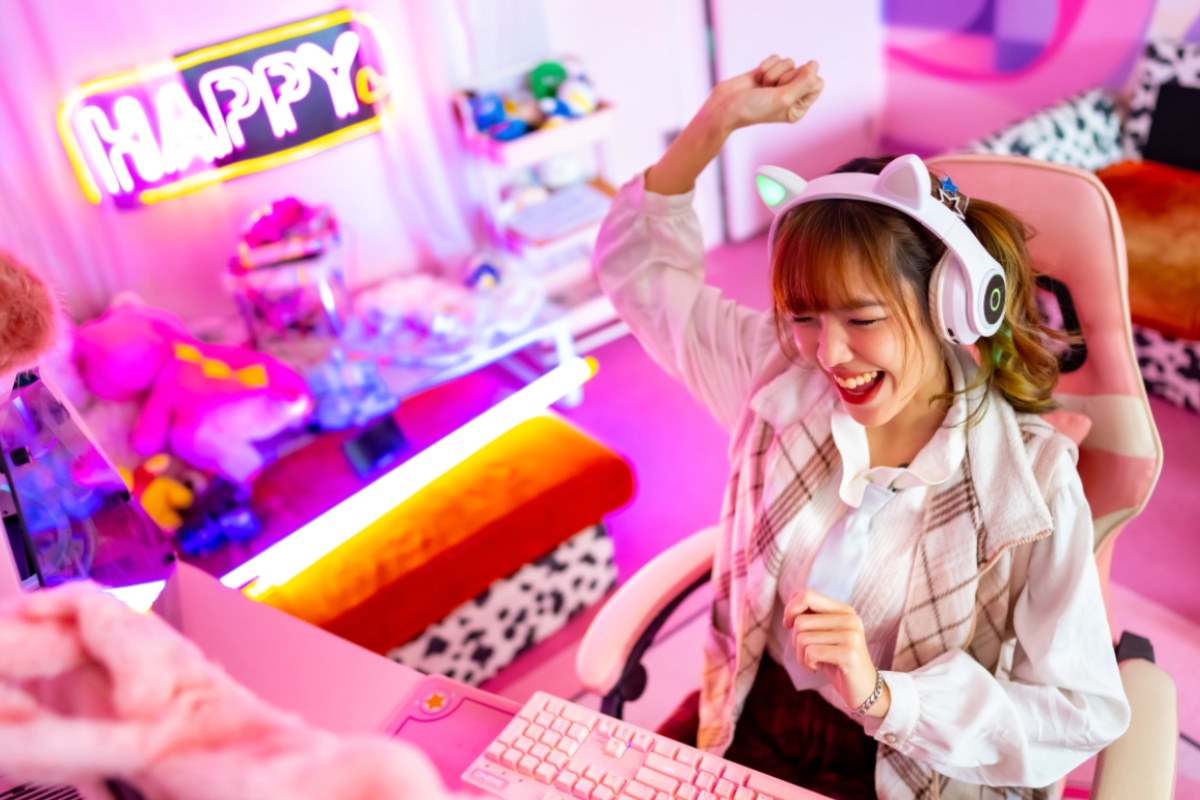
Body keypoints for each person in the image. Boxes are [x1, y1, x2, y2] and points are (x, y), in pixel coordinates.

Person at [593, 55, 1130, 800]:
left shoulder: (1030, 481)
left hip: (914, 764)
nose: (829, 353)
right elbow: (640, 275)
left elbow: (1077, 713)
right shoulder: (778, 377)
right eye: (807, 317)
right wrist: (715, 122)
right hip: (744, 715)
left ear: (950, 305)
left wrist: (884, 695)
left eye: (862, 319)